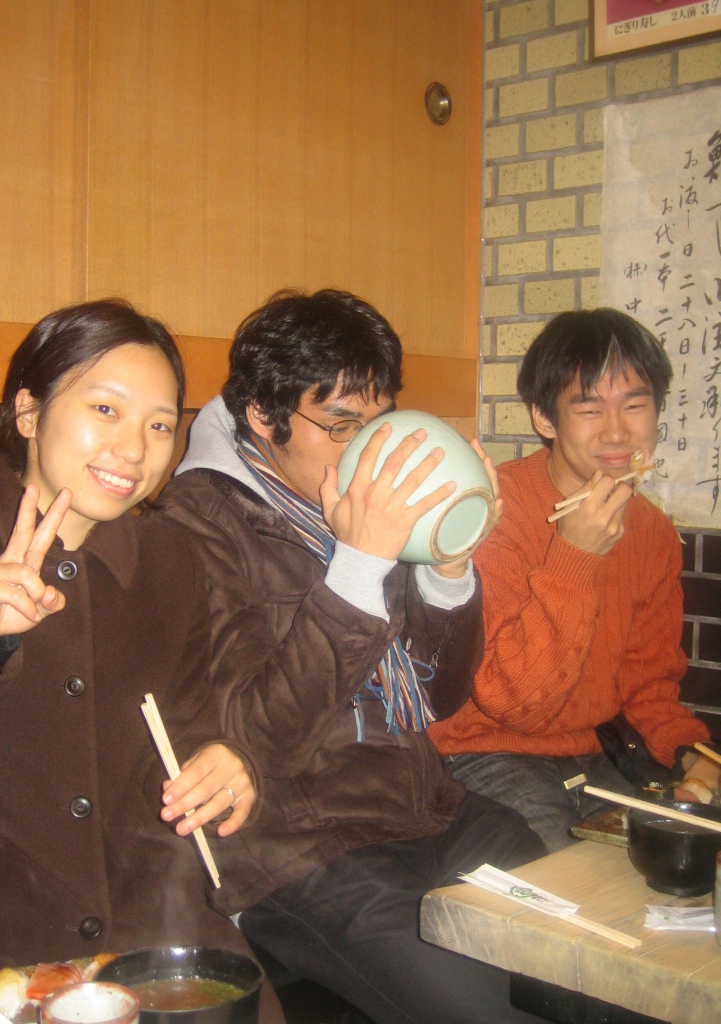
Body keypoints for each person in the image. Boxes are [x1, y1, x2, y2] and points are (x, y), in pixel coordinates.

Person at [155, 289, 547, 1024]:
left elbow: (437, 697)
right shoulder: (194, 524)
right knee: (491, 1011)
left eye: (379, 421)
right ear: (263, 416)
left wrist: (449, 566)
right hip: (302, 848)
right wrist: (360, 564)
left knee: (591, 959)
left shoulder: (358, 498)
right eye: (341, 426)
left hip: (429, 809)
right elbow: (251, 737)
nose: (370, 449)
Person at [0, 299, 284, 1023]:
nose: (135, 449)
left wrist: (227, 767)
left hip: (153, 932)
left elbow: (191, 732)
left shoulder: (170, 560)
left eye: (160, 425)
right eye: (106, 409)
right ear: (29, 412)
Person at [429, 308, 719, 853]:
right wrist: (576, 555)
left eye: (635, 405)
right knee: (559, 879)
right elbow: (514, 704)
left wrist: (692, 755)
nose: (617, 431)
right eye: (589, 409)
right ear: (545, 418)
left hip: (591, 753)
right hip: (482, 752)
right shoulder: (492, 514)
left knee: (669, 861)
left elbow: (649, 683)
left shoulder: (651, 531)